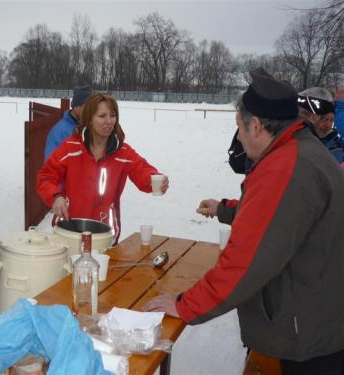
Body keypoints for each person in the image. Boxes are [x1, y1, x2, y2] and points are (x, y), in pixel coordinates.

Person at [143, 68, 344, 374]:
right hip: (314, 319)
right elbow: (278, 217)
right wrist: (225, 209)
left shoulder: (287, 167)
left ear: (257, 126)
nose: (238, 136)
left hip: (310, 337)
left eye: (239, 127)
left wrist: (184, 304)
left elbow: (244, 262)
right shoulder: (296, 151)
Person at [37, 93, 168, 243]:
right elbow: (46, 177)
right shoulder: (70, 148)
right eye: (102, 116)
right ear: (89, 119)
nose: (109, 121)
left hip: (105, 234)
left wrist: (156, 179)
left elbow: (143, 171)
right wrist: (56, 196)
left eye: (112, 115)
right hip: (68, 231)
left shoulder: (123, 152)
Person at [44, 85, 92, 160]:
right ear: (76, 107)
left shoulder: (90, 126)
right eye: (87, 107)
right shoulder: (59, 132)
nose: (90, 111)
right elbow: (50, 163)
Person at [298, 87, 343, 163]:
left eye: (331, 120)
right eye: (325, 119)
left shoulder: (336, 142)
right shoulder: (302, 140)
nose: (328, 125)